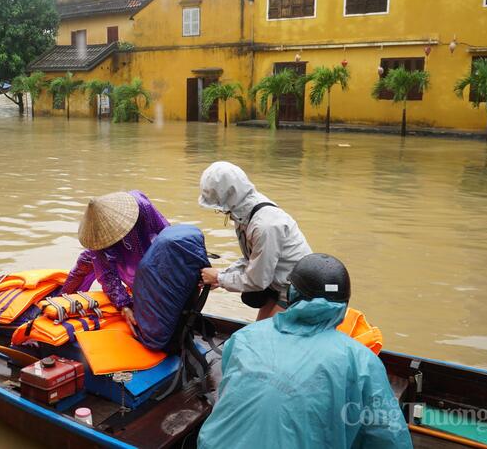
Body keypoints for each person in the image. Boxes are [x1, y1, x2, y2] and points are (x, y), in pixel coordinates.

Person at [198, 254, 412, 449]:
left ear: (291, 294)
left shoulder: (244, 337)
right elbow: (388, 437)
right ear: (344, 305)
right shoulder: (361, 360)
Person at [198, 161, 311, 320]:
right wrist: (222, 275)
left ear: (229, 199)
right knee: (258, 330)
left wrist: (219, 278)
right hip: (277, 285)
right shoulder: (244, 211)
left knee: (264, 341)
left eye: (219, 207)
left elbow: (257, 281)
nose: (219, 211)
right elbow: (251, 259)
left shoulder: (265, 225)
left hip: (296, 290)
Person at [62, 190, 169, 332]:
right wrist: (123, 305)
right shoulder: (97, 238)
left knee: (150, 283)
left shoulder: (141, 206)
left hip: (145, 245)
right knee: (83, 265)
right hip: (112, 251)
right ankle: (63, 301)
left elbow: (167, 233)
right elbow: (107, 275)